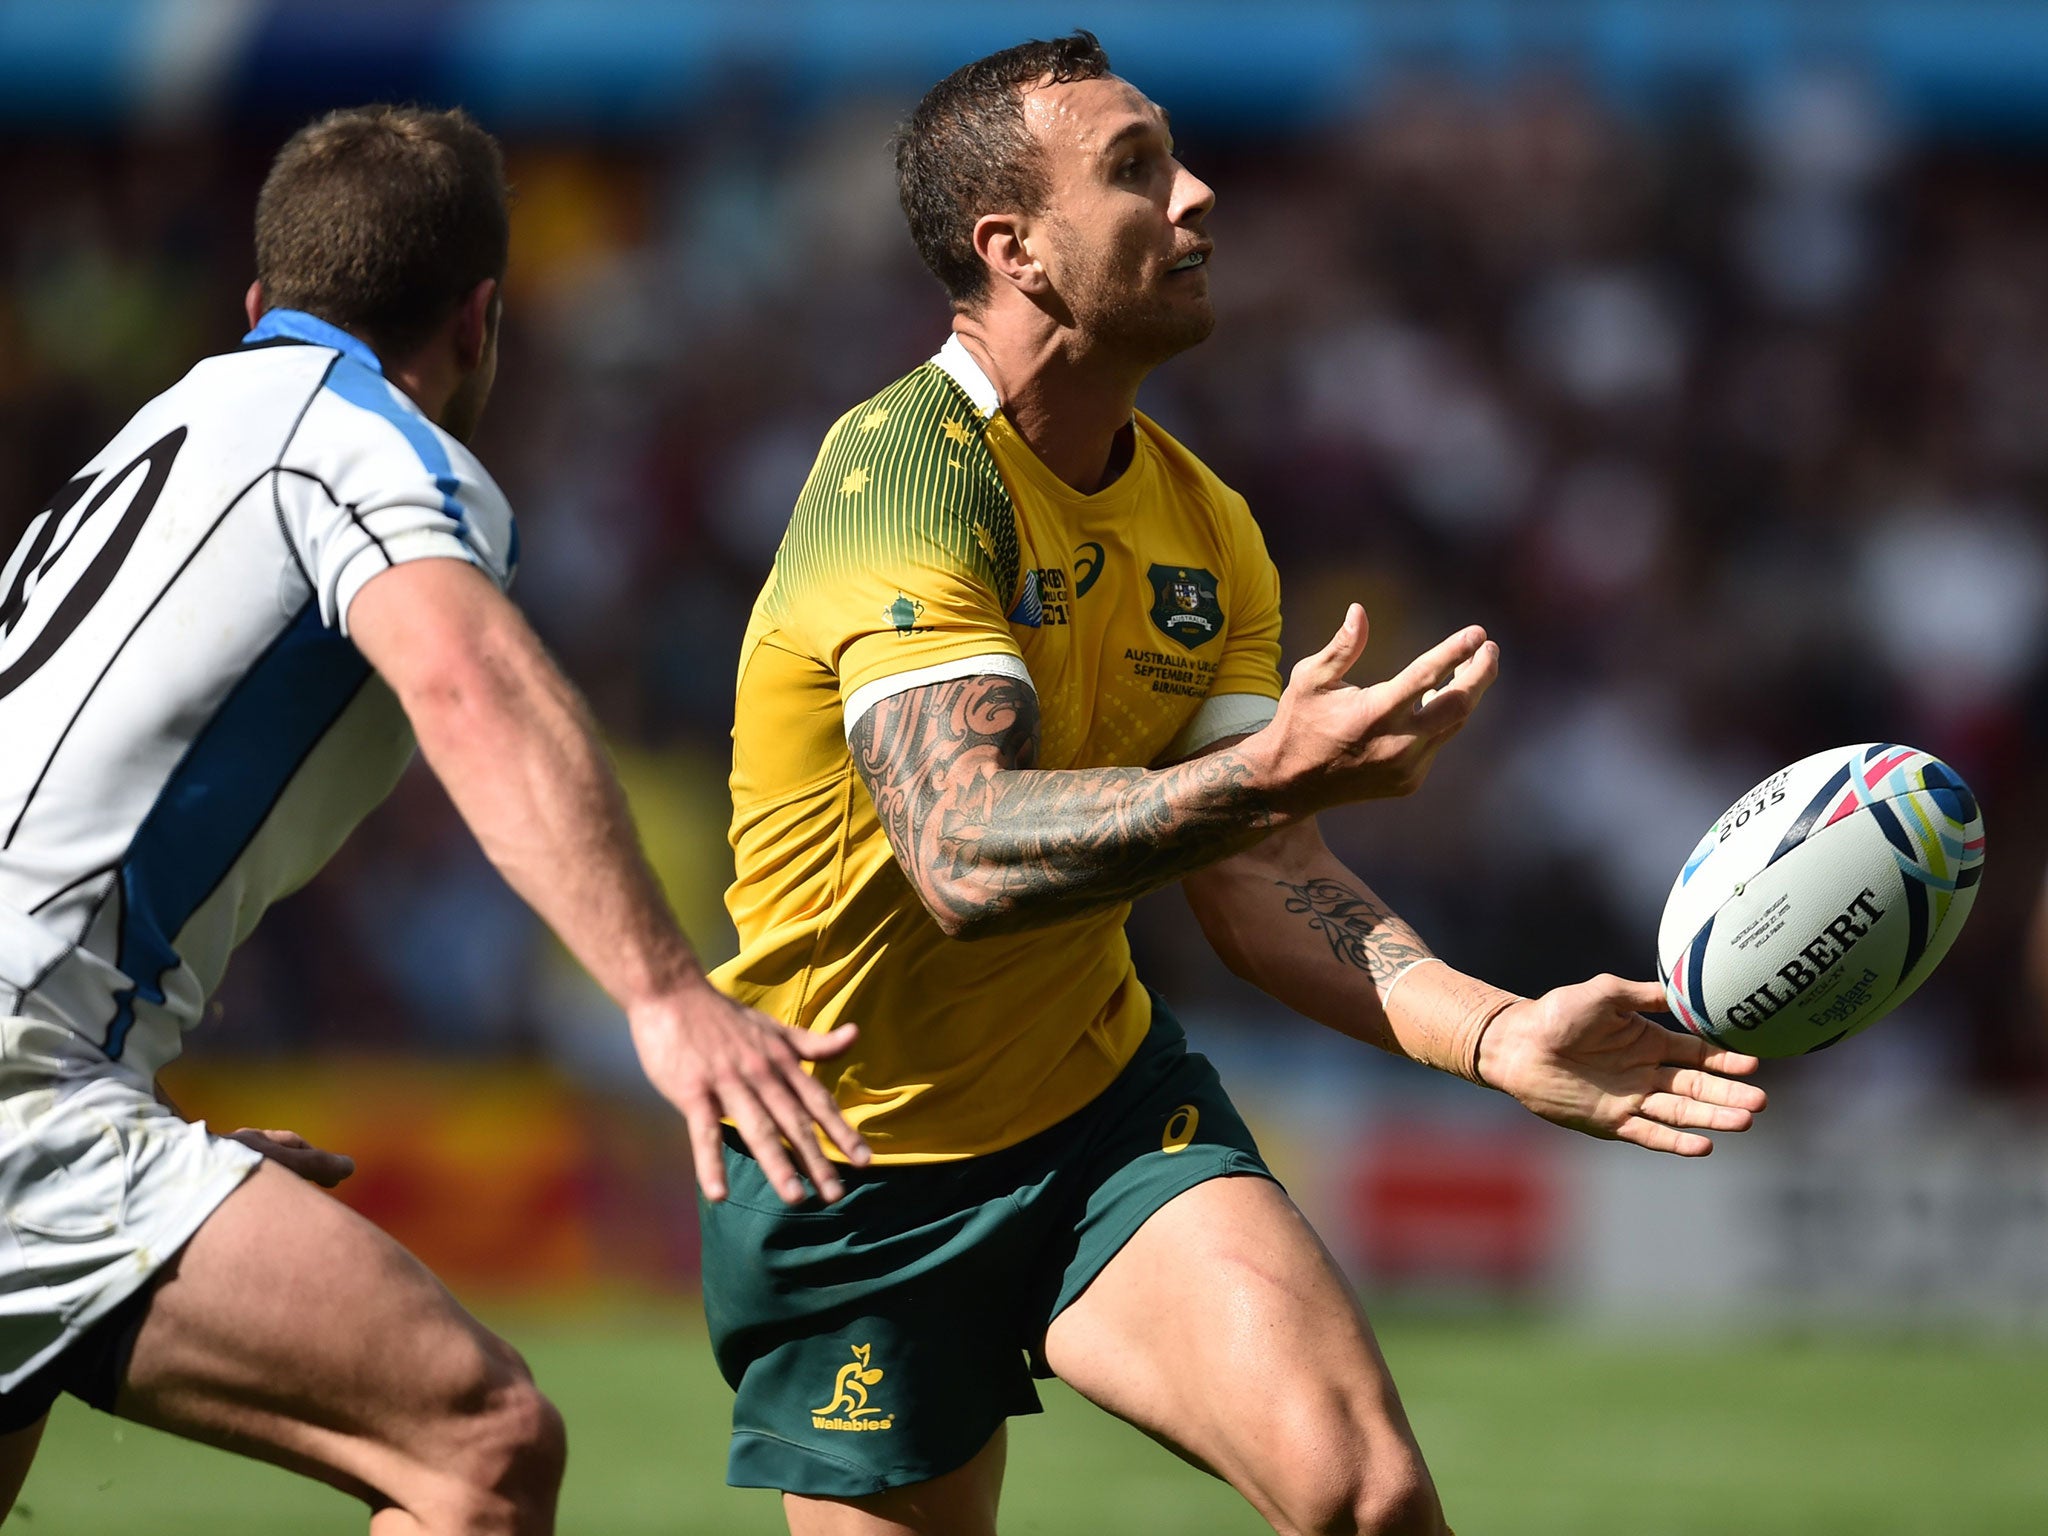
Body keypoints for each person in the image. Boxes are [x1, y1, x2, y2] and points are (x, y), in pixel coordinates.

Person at [702, 33, 1769, 1536]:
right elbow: (962, 850)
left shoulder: (1209, 528)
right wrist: (1265, 774)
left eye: (1181, 158)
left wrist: (1500, 1030)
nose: (1199, 197)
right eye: (1136, 170)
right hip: (849, 1167)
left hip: (1097, 1117)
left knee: (1366, 1496)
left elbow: (1263, 881)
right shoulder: (904, 475)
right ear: (1011, 249)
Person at [0, 104, 866, 1534]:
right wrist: (661, 992)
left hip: (47, 1069)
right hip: (27, 1081)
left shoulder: (156, 435)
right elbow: (463, 676)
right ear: (479, 323)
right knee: (479, 1445)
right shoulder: (364, 443)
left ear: (259, 305)